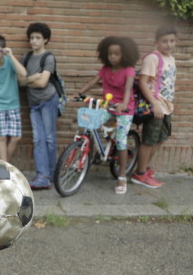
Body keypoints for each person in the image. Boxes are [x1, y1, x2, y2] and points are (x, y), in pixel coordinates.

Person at [72, 36, 139, 194]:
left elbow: (128, 90)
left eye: (116, 54)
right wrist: (80, 92)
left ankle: (122, 176)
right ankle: (83, 155)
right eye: (110, 54)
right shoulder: (105, 69)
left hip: (124, 108)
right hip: (107, 106)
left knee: (122, 141)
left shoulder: (129, 70)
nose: (113, 57)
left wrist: (123, 104)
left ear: (125, 54)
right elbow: (92, 82)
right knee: (89, 123)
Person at [132, 25, 178, 188]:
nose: (169, 44)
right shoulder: (153, 58)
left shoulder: (171, 58)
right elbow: (143, 83)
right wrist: (155, 103)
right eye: (165, 41)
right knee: (150, 140)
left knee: (161, 138)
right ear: (156, 42)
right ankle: (140, 174)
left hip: (167, 106)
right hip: (155, 106)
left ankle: (144, 168)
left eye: (172, 41)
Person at [18, 22, 57, 189]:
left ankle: (50, 174)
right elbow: (20, 82)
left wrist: (30, 81)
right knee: (37, 138)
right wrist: (32, 78)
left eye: (38, 38)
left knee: (48, 138)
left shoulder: (48, 58)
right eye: (31, 37)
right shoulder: (25, 58)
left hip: (48, 100)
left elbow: (43, 83)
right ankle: (42, 176)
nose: (33, 41)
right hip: (33, 103)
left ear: (45, 39)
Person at [0, 34, 27, 162]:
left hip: (13, 105)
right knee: (1, 137)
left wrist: (10, 55)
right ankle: (4, 166)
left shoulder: (10, 62)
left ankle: (3, 163)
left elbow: (23, 73)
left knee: (16, 137)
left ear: (3, 50)